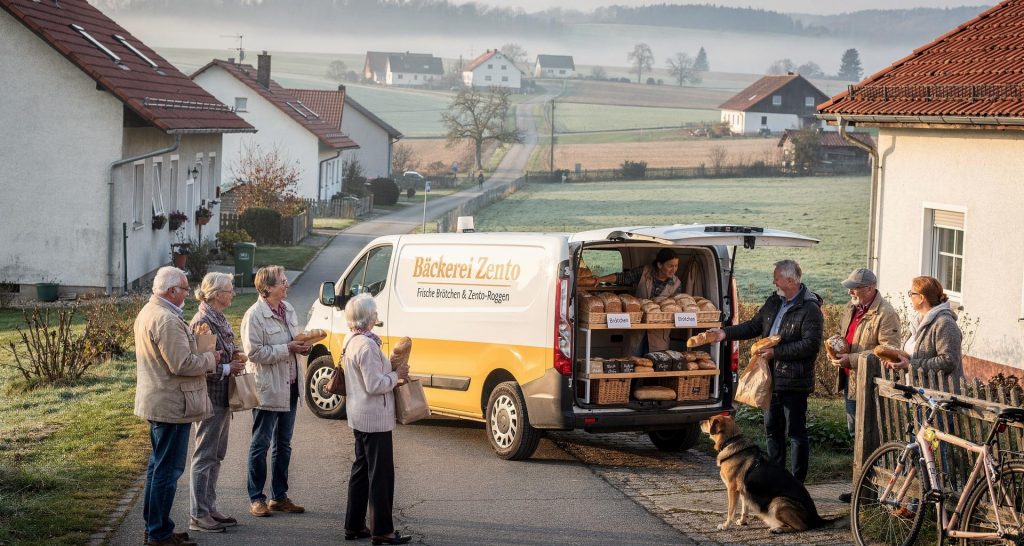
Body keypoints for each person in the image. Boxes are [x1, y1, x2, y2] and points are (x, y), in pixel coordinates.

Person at [708, 259, 823, 483]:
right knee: (772, 430)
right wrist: (724, 333)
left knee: (796, 433)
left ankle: (797, 483)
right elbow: (754, 325)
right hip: (769, 379)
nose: (774, 280)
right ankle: (775, 478)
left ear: (790, 280)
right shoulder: (774, 301)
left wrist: (775, 353)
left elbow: (810, 345)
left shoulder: (810, 309)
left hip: (793, 380)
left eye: (777, 277)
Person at [134, 267, 219, 546]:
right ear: (171, 291)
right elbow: (182, 364)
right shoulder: (166, 319)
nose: (187, 293)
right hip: (171, 404)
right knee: (167, 472)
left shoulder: (149, 311)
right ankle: (158, 533)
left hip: (160, 400)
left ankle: (155, 528)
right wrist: (211, 358)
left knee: (158, 468)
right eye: (184, 288)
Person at [343, 294, 412, 545]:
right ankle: (382, 529)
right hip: (374, 416)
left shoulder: (351, 339)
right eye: (374, 313)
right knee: (381, 475)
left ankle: (354, 524)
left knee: (361, 470)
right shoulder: (368, 345)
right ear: (368, 317)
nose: (376, 317)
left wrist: (389, 367)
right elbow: (374, 385)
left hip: (359, 414)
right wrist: (396, 375)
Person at [241, 265, 309, 518]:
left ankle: (279, 497)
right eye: (282, 281)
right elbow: (254, 353)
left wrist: (302, 347)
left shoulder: (288, 310)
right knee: (261, 444)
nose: (287, 284)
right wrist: (287, 348)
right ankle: (256, 497)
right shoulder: (254, 316)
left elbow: (294, 342)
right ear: (267, 287)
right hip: (268, 389)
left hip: (290, 387)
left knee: (284, 444)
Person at [830, 267, 900, 503]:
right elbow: (844, 337)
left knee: (869, 436)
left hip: (870, 385)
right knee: (854, 434)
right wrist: (836, 349)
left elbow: (887, 351)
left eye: (855, 288)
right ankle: (860, 487)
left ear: (870, 288)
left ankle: (871, 491)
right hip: (851, 380)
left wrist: (849, 359)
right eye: (850, 287)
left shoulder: (885, 313)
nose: (851, 292)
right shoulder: (852, 308)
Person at [188, 272, 246, 532]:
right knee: (204, 455)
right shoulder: (202, 322)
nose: (233, 293)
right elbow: (203, 366)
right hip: (209, 397)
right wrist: (227, 367)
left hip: (223, 396)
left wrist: (235, 356)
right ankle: (198, 514)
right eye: (229, 289)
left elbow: (220, 353)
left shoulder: (218, 318)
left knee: (217, 454)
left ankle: (209, 507)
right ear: (216, 294)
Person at [594, 248, 682, 354]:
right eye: (670, 266)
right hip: (637, 330)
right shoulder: (644, 272)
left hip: (659, 334)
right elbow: (623, 277)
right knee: (633, 362)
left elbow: (675, 308)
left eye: (676, 266)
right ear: (659, 265)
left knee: (655, 365)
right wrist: (600, 279)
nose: (674, 270)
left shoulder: (677, 284)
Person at [888, 276, 962, 380]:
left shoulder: (945, 323)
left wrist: (911, 365)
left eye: (912, 293)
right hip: (915, 390)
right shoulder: (917, 322)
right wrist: (897, 361)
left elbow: (949, 361)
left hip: (937, 393)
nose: (910, 297)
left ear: (922, 298)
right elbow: (912, 356)